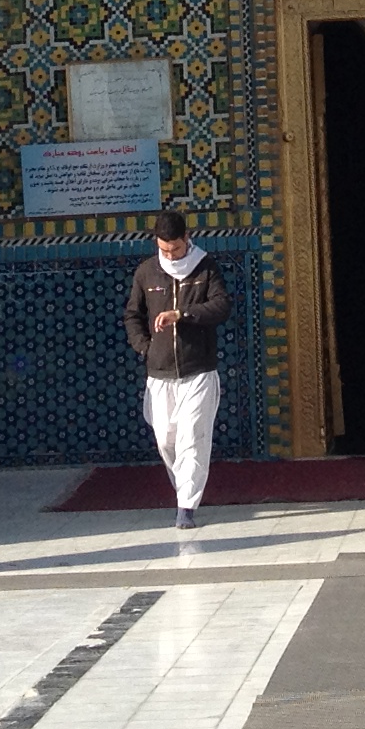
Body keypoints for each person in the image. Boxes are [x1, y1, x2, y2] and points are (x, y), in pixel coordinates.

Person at [124, 206, 229, 530]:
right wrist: (145, 346)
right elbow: (132, 315)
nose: (170, 255)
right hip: (160, 374)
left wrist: (182, 314)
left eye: (176, 248)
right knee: (167, 440)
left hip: (198, 371)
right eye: (164, 249)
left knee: (191, 439)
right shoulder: (146, 272)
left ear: (187, 238)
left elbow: (221, 305)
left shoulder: (205, 267)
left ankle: (186, 507)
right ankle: (184, 490)